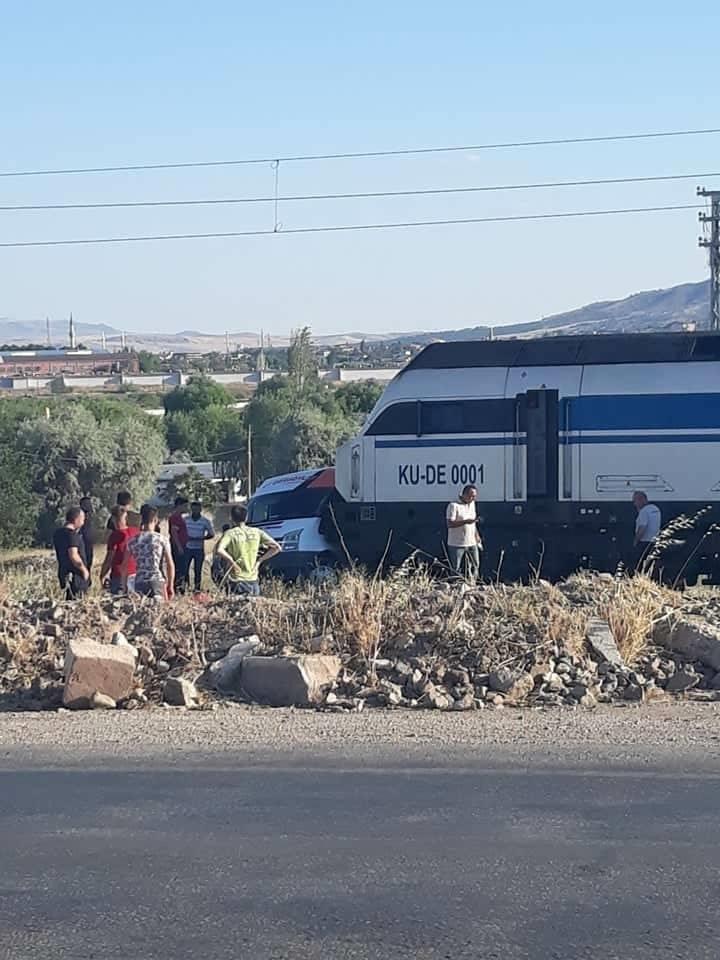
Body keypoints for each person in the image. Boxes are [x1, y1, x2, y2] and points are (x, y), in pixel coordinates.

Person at [214, 505, 281, 596]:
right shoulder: (257, 532)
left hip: (237, 580)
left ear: (231, 518)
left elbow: (219, 550)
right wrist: (259, 561)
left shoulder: (230, 533)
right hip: (253, 580)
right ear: (246, 517)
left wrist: (232, 562)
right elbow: (277, 547)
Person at [123, 504, 175, 600]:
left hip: (139, 582)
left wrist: (124, 585)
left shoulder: (132, 541)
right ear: (155, 520)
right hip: (156, 581)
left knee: (143, 610)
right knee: (159, 611)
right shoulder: (162, 539)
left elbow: (124, 566)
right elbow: (170, 565)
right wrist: (170, 586)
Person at [99, 506, 140, 595]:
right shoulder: (136, 531)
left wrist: (102, 575)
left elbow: (109, 558)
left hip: (119, 575)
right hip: (135, 574)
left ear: (113, 519)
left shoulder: (115, 536)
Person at [53, 506, 91, 600]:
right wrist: (84, 570)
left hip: (63, 573)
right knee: (78, 602)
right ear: (76, 519)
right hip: (76, 576)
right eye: (82, 519)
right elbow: (73, 555)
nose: (83, 522)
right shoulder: (72, 535)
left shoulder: (58, 533)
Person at [446, 484, 482, 580]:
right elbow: (450, 524)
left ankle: (471, 583)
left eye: (474, 496)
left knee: (475, 564)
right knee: (456, 568)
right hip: (456, 543)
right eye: (471, 496)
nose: (473, 498)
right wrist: (466, 522)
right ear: (464, 494)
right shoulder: (453, 505)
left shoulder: (472, 504)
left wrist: (477, 536)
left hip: (471, 542)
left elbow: (473, 523)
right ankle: (455, 585)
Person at [184, 501, 215, 592]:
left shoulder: (205, 521)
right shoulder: (186, 519)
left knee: (198, 570)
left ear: (200, 510)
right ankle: (186, 587)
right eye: (193, 509)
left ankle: (197, 589)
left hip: (199, 548)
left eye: (197, 509)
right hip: (187, 547)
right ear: (191, 509)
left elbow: (212, 534)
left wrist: (202, 538)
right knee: (185, 569)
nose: (195, 511)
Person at [632, 491, 662, 571]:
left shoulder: (644, 512)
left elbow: (642, 528)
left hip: (644, 543)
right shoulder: (655, 509)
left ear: (642, 500)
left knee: (640, 564)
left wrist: (636, 541)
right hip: (655, 541)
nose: (634, 504)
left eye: (635, 501)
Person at [169, 496, 190, 593]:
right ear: (179, 506)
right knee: (180, 568)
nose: (186, 508)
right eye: (185, 506)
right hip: (178, 547)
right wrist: (179, 547)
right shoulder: (175, 517)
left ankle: (182, 587)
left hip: (182, 546)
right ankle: (178, 588)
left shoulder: (180, 517)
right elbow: (174, 533)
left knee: (183, 568)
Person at [78, 496, 95, 579]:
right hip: (84, 542)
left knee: (88, 562)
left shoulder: (88, 518)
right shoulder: (80, 517)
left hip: (87, 542)